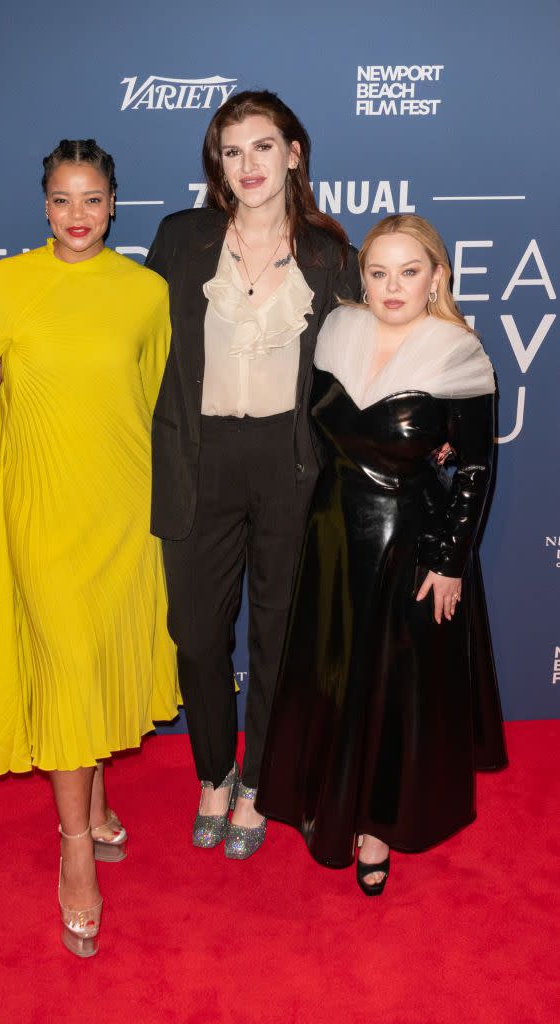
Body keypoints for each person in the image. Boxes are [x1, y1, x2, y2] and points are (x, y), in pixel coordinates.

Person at [0, 139, 178, 955]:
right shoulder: (8, 284)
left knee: (95, 662)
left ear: (114, 203)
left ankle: (97, 803)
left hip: (123, 513)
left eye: (91, 199)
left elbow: (160, 405)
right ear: (42, 205)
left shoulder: (146, 292)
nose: (76, 215)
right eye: (61, 199)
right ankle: (75, 849)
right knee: (68, 661)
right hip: (43, 513)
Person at [257, 213, 508, 893]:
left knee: (390, 690)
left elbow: (475, 471)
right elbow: (316, 431)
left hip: (408, 544)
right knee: (334, 680)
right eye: (377, 271)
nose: (391, 286)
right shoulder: (336, 331)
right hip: (333, 537)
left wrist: (449, 561)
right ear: (359, 276)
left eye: (409, 271)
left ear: (435, 277)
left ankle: (373, 828)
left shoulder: (459, 353)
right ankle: (326, 802)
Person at [145, 90, 361, 859]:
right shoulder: (182, 239)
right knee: (196, 634)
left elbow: (360, 364)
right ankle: (214, 771)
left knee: (276, 631)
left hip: (289, 461)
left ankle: (262, 780)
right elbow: (136, 347)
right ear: (217, 163)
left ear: (292, 152)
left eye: (262, 147)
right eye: (231, 151)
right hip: (197, 457)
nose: (248, 166)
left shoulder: (329, 253)